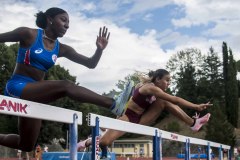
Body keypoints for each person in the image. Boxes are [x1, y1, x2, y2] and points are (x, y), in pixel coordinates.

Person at [0, 7, 132, 152]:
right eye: (63, 20)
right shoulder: (28, 34)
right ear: (50, 20)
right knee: (65, 86)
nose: (67, 25)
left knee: (26, 145)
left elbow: (90, 64)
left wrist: (99, 49)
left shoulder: (62, 48)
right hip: (17, 86)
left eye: (68, 22)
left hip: (36, 95)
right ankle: (113, 104)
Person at [78, 69, 212, 159]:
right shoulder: (150, 88)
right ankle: (88, 141)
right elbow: (175, 99)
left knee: (163, 101)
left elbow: (170, 102)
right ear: (158, 79)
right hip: (128, 117)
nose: (168, 83)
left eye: (170, 81)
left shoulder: (155, 91)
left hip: (141, 118)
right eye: (167, 80)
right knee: (103, 142)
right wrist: (196, 106)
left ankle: (193, 123)